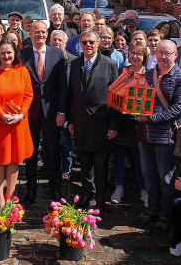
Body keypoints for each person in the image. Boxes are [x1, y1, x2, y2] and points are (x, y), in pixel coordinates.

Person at [135, 39, 181, 233]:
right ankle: (153, 210)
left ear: (176, 54)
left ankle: (166, 216)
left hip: (165, 137)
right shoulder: (148, 75)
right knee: (148, 176)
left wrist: (150, 119)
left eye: (168, 53)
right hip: (143, 136)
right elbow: (138, 98)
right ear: (154, 54)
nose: (164, 57)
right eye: (160, 53)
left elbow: (178, 108)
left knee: (166, 180)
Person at [67, 30, 120, 211]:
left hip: (102, 124)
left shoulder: (110, 65)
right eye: (84, 42)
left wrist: (114, 124)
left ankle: (101, 198)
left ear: (98, 43)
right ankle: (88, 193)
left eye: (91, 42)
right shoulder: (74, 64)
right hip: (80, 122)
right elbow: (71, 95)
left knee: (101, 166)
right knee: (85, 165)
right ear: (80, 44)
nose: (88, 45)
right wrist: (71, 120)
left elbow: (116, 98)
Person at [0, 38, 34, 207]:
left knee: (13, 160)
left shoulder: (23, 71)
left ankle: (10, 195)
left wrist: (20, 115)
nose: (6, 56)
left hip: (17, 123)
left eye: (9, 53)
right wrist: (2, 116)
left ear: (15, 53)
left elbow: (28, 95)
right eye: (2, 53)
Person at [21, 21, 67, 204]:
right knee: (30, 151)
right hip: (30, 111)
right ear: (30, 33)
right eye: (36, 32)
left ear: (47, 34)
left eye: (43, 32)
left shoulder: (58, 54)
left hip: (52, 110)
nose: (40, 35)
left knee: (54, 150)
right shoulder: (22, 54)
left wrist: (62, 111)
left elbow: (63, 85)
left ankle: (55, 187)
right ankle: (31, 187)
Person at [111, 42, 147, 206]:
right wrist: (114, 125)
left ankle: (144, 190)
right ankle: (118, 187)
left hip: (141, 124)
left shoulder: (150, 74)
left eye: (139, 54)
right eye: (132, 52)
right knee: (119, 157)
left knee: (140, 160)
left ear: (144, 56)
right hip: (123, 123)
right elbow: (113, 100)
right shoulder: (122, 72)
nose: (135, 56)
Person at [49, 29, 76, 180]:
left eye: (60, 40)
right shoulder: (46, 58)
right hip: (50, 107)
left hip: (66, 107)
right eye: (54, 40)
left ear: (65, 43)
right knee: (48, 141)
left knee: (65, 141)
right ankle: (49, 166)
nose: (57, 42)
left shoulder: (73, 60)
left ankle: (67, 168)